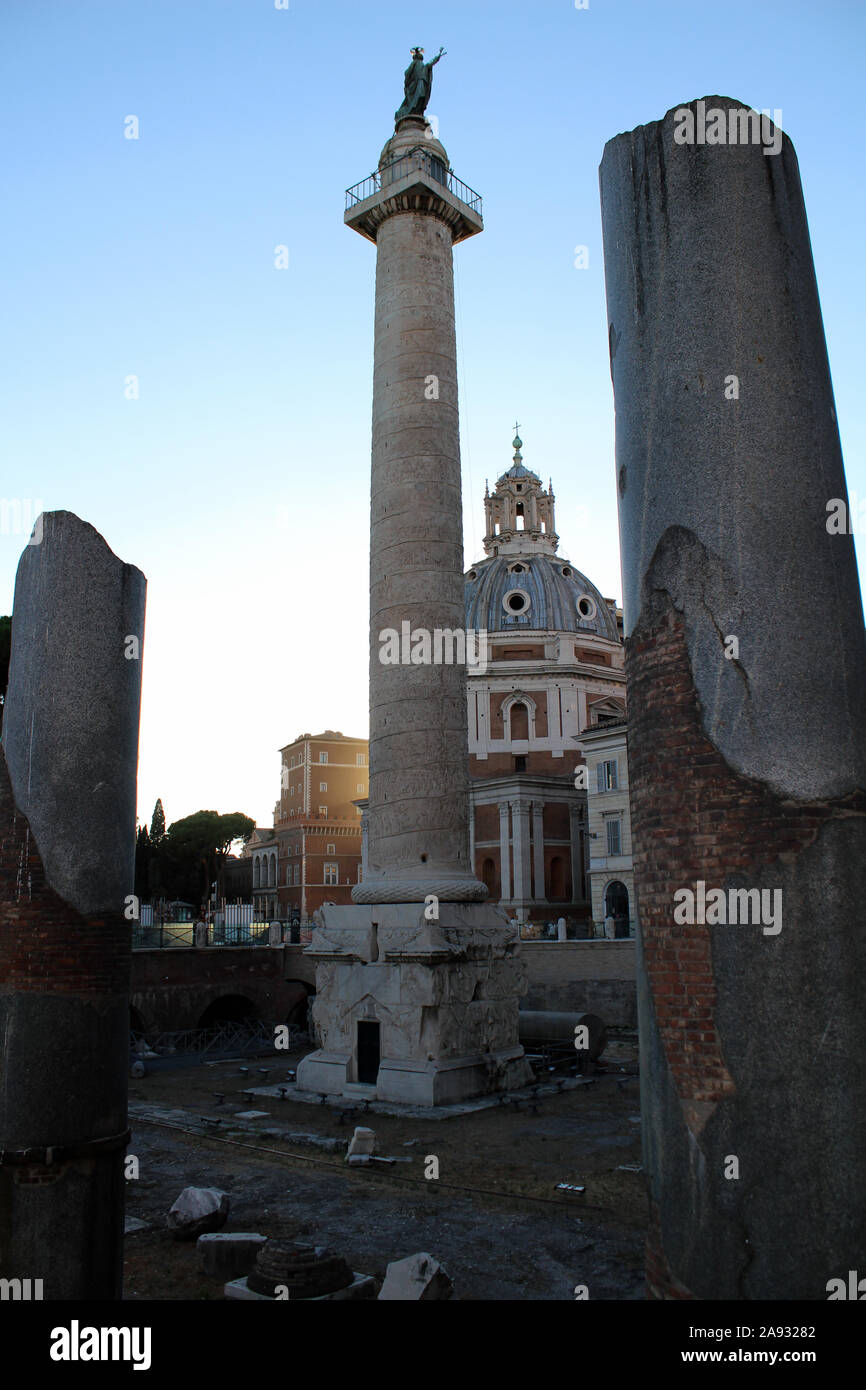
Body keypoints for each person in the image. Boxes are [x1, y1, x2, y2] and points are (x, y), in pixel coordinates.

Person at [395, 46, 446, 123]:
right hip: (415, 84)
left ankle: (417, 111)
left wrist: (438, 56)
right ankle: (413, 111)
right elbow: (407, 73)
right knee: (417, 96)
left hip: (422, 82)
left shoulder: (424, 66)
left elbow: (430, 63)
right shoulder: (415, 63)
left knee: (421, 96)